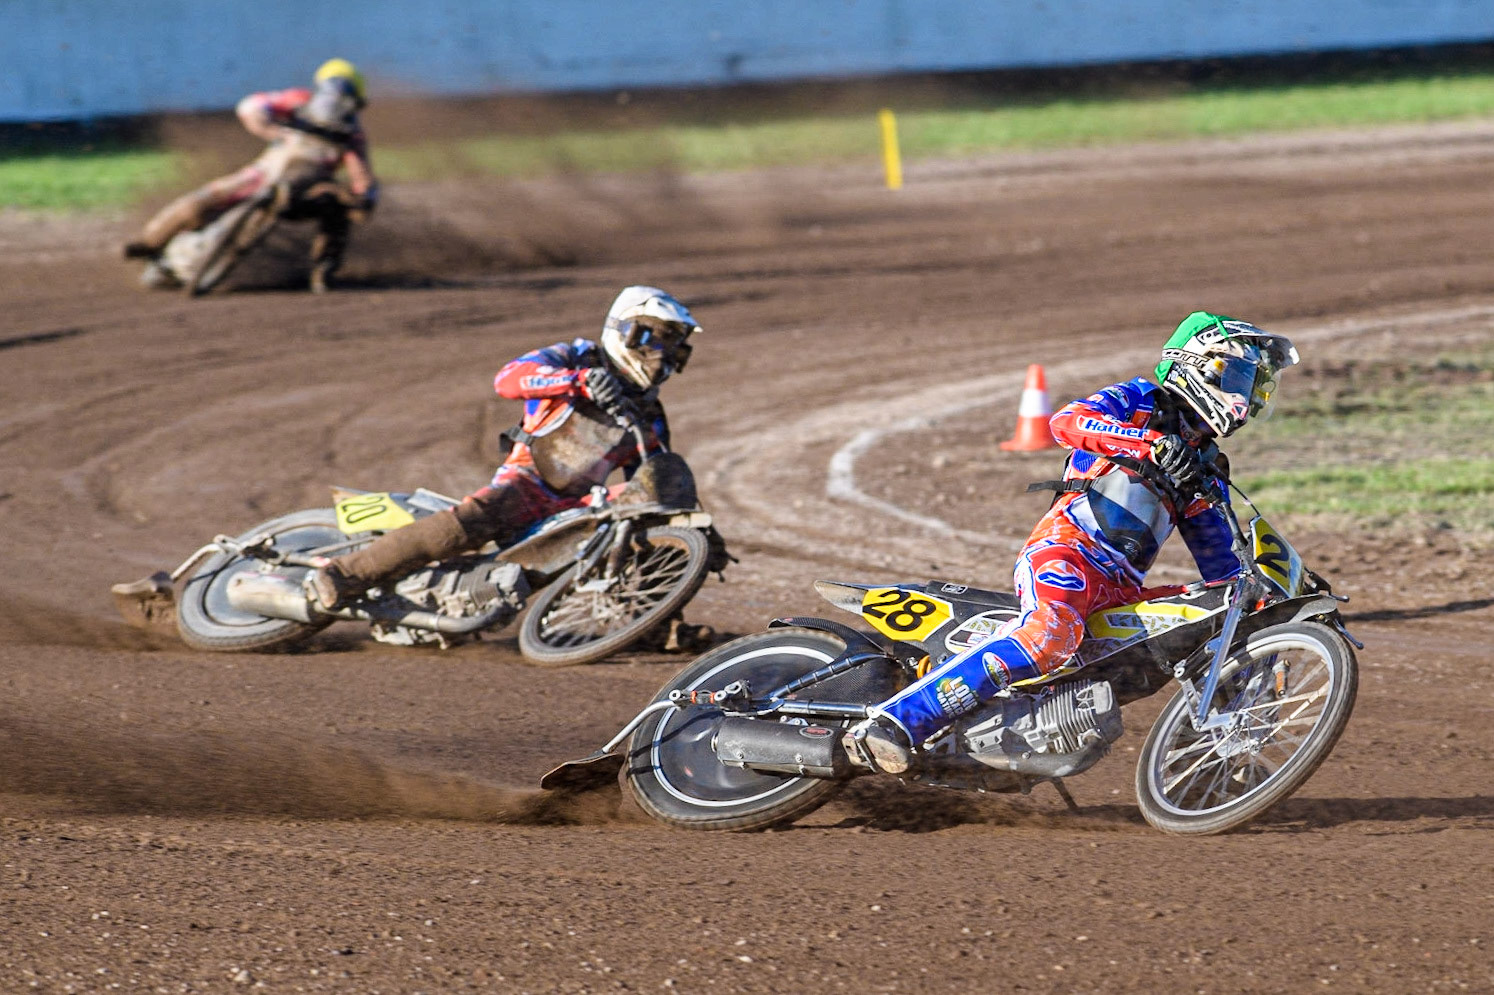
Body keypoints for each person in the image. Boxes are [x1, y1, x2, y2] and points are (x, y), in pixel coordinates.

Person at [845, 311, 1300, 773]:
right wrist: (1147, 444)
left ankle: (1213, 758)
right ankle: (894, 723)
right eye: (1241, 378)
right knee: (1048, 639)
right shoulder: (1142, 400)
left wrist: (1265, 601)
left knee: (1208, 621)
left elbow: (1220, 560)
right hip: (1068, 551)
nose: (1246, 397)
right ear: (1200, 364)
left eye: (1255, 386)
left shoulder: (1203, 465)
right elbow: (1066, 422)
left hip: (1120, 587)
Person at [308, 285, 706, 625]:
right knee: (467, 525)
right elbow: (508, 379)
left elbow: (647, 484)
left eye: (673, 344)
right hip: (526, 480)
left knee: (644, 532)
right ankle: (344, 574)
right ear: (627, 331)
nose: (663, 354)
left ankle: (658, 625)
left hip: (576, 506)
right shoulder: (574, 358)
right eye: (656, 338)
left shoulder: (649, 416)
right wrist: (579, 382)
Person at [123, 58, 378, 293]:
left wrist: (362, 198)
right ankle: (150, 243)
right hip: (264, 173)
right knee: (199, 203)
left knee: (335, 210)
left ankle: (323, 269)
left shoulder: (352, 135)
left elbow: (361, 174)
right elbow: (252, 106)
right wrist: (270, 128)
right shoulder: (297, 101)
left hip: (306, 190)